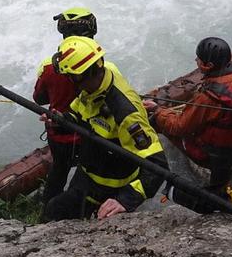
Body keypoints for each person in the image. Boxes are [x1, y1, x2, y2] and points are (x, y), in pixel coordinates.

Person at [41, 36, 167, 222]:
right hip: (87, 174)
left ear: (80, 76)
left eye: (70, 77)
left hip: (107, 188)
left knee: (54, 211)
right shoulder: (92, 89)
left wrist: (125, 200)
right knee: (57, 209)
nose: (69, 81)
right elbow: (80, 115)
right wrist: (62, 121)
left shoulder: (125, 112)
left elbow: (158, 165)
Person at [142, 37, 232, 214]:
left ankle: (168, 188)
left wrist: (158, 110)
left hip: (209, 154)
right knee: (218, 188)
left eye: (198, 59)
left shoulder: (209, 98)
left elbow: (179, 127)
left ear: (207, 66)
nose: (196, 62)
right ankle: (219, 192)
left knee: (157, 122)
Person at [33, 8, 96, 204]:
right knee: (89, 171)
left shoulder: (49, 66)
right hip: (90, 134)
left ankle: (48, 207)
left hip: (59, 135)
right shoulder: (100, 63)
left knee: (59, 169)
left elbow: (39, 98)